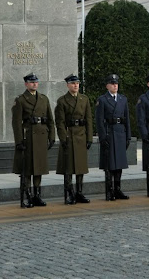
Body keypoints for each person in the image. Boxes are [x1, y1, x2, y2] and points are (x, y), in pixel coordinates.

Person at [11, 72, 55, 207]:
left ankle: (37, 195)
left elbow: (50, 120)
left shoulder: (43, 99)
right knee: (28, 169)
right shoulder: (20, 100)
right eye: (31, 82)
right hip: (28, 138)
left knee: (39, 168)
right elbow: (16, 122)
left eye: (36, 82)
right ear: (26, 84)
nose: (34, 84)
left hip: (41, 137)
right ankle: (28, 195)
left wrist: (52, 136)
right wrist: (19, 141)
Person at [55, 74, 93, 205]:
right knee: (69, 167)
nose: (76, 85)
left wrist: (89, 137)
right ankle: (69, 192)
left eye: (77, 83)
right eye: (73, 83)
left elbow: (88, 119)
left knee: (80, 166)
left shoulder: (84, 99)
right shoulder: (62, 101)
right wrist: (63, 138)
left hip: (81, 135)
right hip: (69, 135)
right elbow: (59, 122)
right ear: (67, 85)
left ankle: (79, 192)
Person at [95, 74, 131, 201]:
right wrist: (103, 137)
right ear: (107, 86)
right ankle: (109, 191)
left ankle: (117, 189)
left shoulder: (122, 99)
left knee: (119, 164)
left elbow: (127, 119)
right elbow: (99, 121)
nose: (115, 85)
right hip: (109, 133)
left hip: (120, 133)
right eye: (112, 83)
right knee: (109, 165)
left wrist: (128, 136)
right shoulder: (103, 99)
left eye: (116, 83)